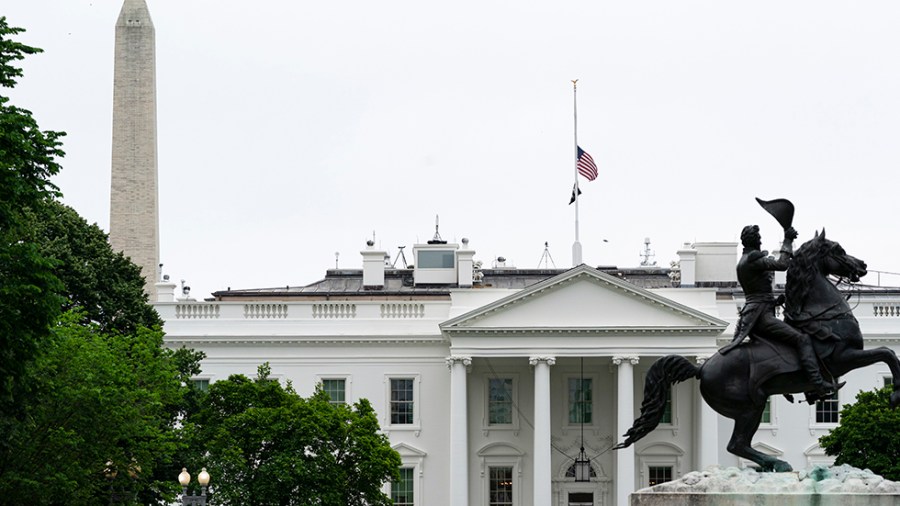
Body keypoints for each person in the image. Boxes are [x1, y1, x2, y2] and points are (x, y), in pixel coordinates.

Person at [721, 224, 839, 397]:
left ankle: (794, 382)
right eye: (759, 238)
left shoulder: (744, 260)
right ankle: (817, 384)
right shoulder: (752, 258)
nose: (761, 241)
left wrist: (775, 301)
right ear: (754, 240)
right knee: (802, 339)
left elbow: (757, 293)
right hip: (760, 317)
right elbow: (782, 264)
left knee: (787, 342)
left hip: (757, 311)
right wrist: (788, 240)